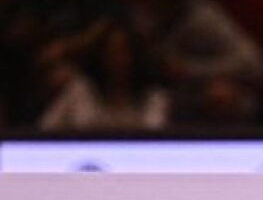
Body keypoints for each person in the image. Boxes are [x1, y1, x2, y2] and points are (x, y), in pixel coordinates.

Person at [132, 0, 263, 124]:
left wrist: (190, 70)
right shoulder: (141, 18)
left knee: (220, 93)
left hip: (196, 98)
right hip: (154, 100)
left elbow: (254, 63)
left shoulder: (203, 19)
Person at [39, 23, 170, 131]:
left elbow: (157, 137)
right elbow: (46, 128)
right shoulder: (80, 91)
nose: (119, 60)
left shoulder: (154, 98)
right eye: (112, 53)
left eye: (125, 53)